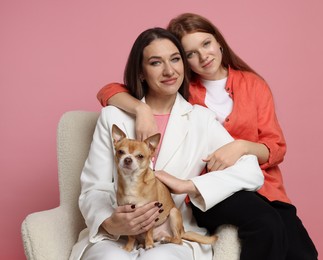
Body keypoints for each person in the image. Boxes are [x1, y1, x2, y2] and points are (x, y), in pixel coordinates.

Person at [97, 13, 318, 260]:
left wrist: (241, 147)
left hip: (263, 185)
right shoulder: (181, 86)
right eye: (190, 53)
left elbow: (276, 148)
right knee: (265, 225)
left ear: (219, 41)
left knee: (300, 249)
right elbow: (109, 90)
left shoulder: (254, 85)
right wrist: (142, 109)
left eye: (206, 44)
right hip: (209, 188)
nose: (203, 56)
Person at [69, 27, 263, 260]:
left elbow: (252, 171)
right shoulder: (113, 116)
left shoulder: (201, 119)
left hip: (168, 232)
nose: (169, 70)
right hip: (116, 236)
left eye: (175, 59)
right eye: (155, 63)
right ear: (141, 72)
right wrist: (111, 224)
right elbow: (94, 188)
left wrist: (189, 185)